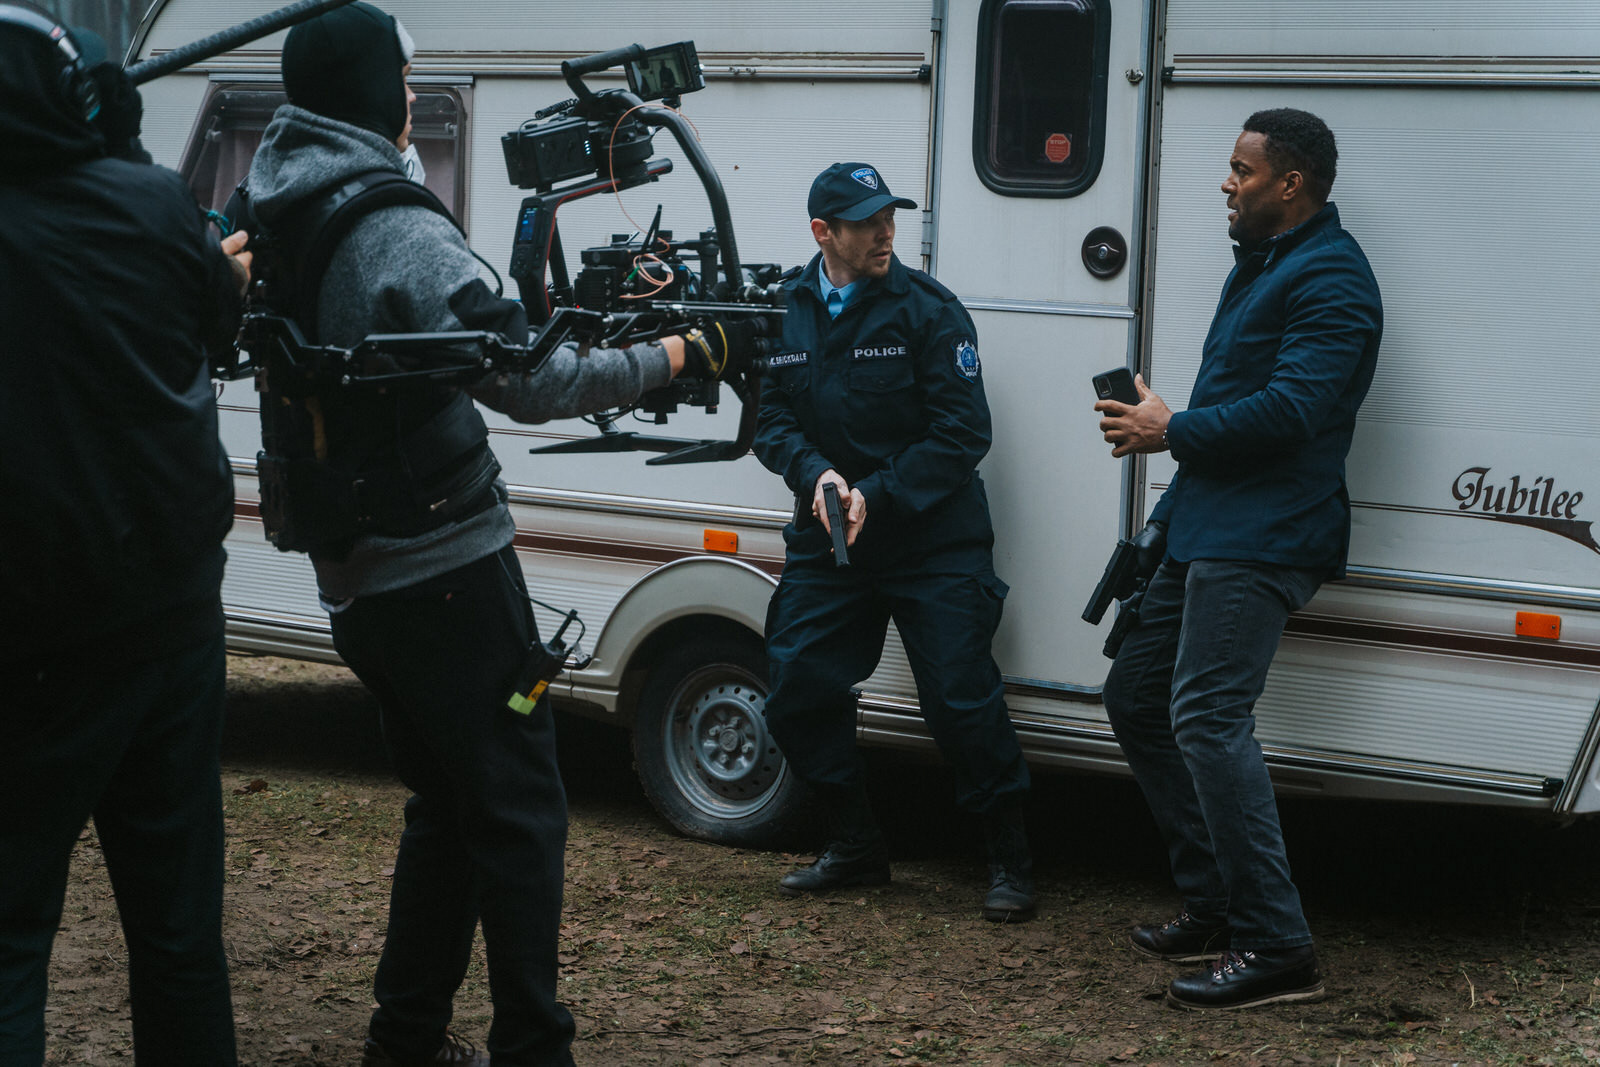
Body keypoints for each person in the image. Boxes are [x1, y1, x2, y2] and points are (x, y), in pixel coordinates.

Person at [237, 5, 755, 1064]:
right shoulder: (393, 223)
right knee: (520, 812)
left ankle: (406, 1037)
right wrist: (679, 355)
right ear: (370, 92)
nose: (412, 98)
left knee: (448, 801)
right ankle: (532, 1044)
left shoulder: (274, 199)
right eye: (401, 80)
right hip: (444, 572)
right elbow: (531, 377)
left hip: (357, 577)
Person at [0, 5, 252, 1063]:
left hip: (31, 642)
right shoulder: (154, 204)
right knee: (179, 931)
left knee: (12, 934)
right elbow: (221, 327)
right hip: (170, 624)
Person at [1093, 108, 1383, 1010]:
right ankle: (1217, 899)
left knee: (1209, 717)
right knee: (1137, 696)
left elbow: (1294, 411)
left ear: (1290, 183)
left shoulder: (1332, 277)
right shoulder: (1261, 265)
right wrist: (1161, 524)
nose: (1227, 182)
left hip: (1267, 533)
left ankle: (1277, 944)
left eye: (1241, 170)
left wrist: (1169, 428)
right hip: (1207, 524)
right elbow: (1234, 402)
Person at [753, 162, 1035, 923]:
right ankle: (855, 845)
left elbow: (963, 434)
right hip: (830, 540)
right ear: (824, 232)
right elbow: (769, 421)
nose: (886, 232)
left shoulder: (928, 310)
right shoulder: (780, 309)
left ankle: (1009, 858)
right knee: (796, 689)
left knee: (961, 699)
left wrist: (875, 494)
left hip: (932, 540)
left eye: (890, 217)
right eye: (867, 222)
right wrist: (814, 473)